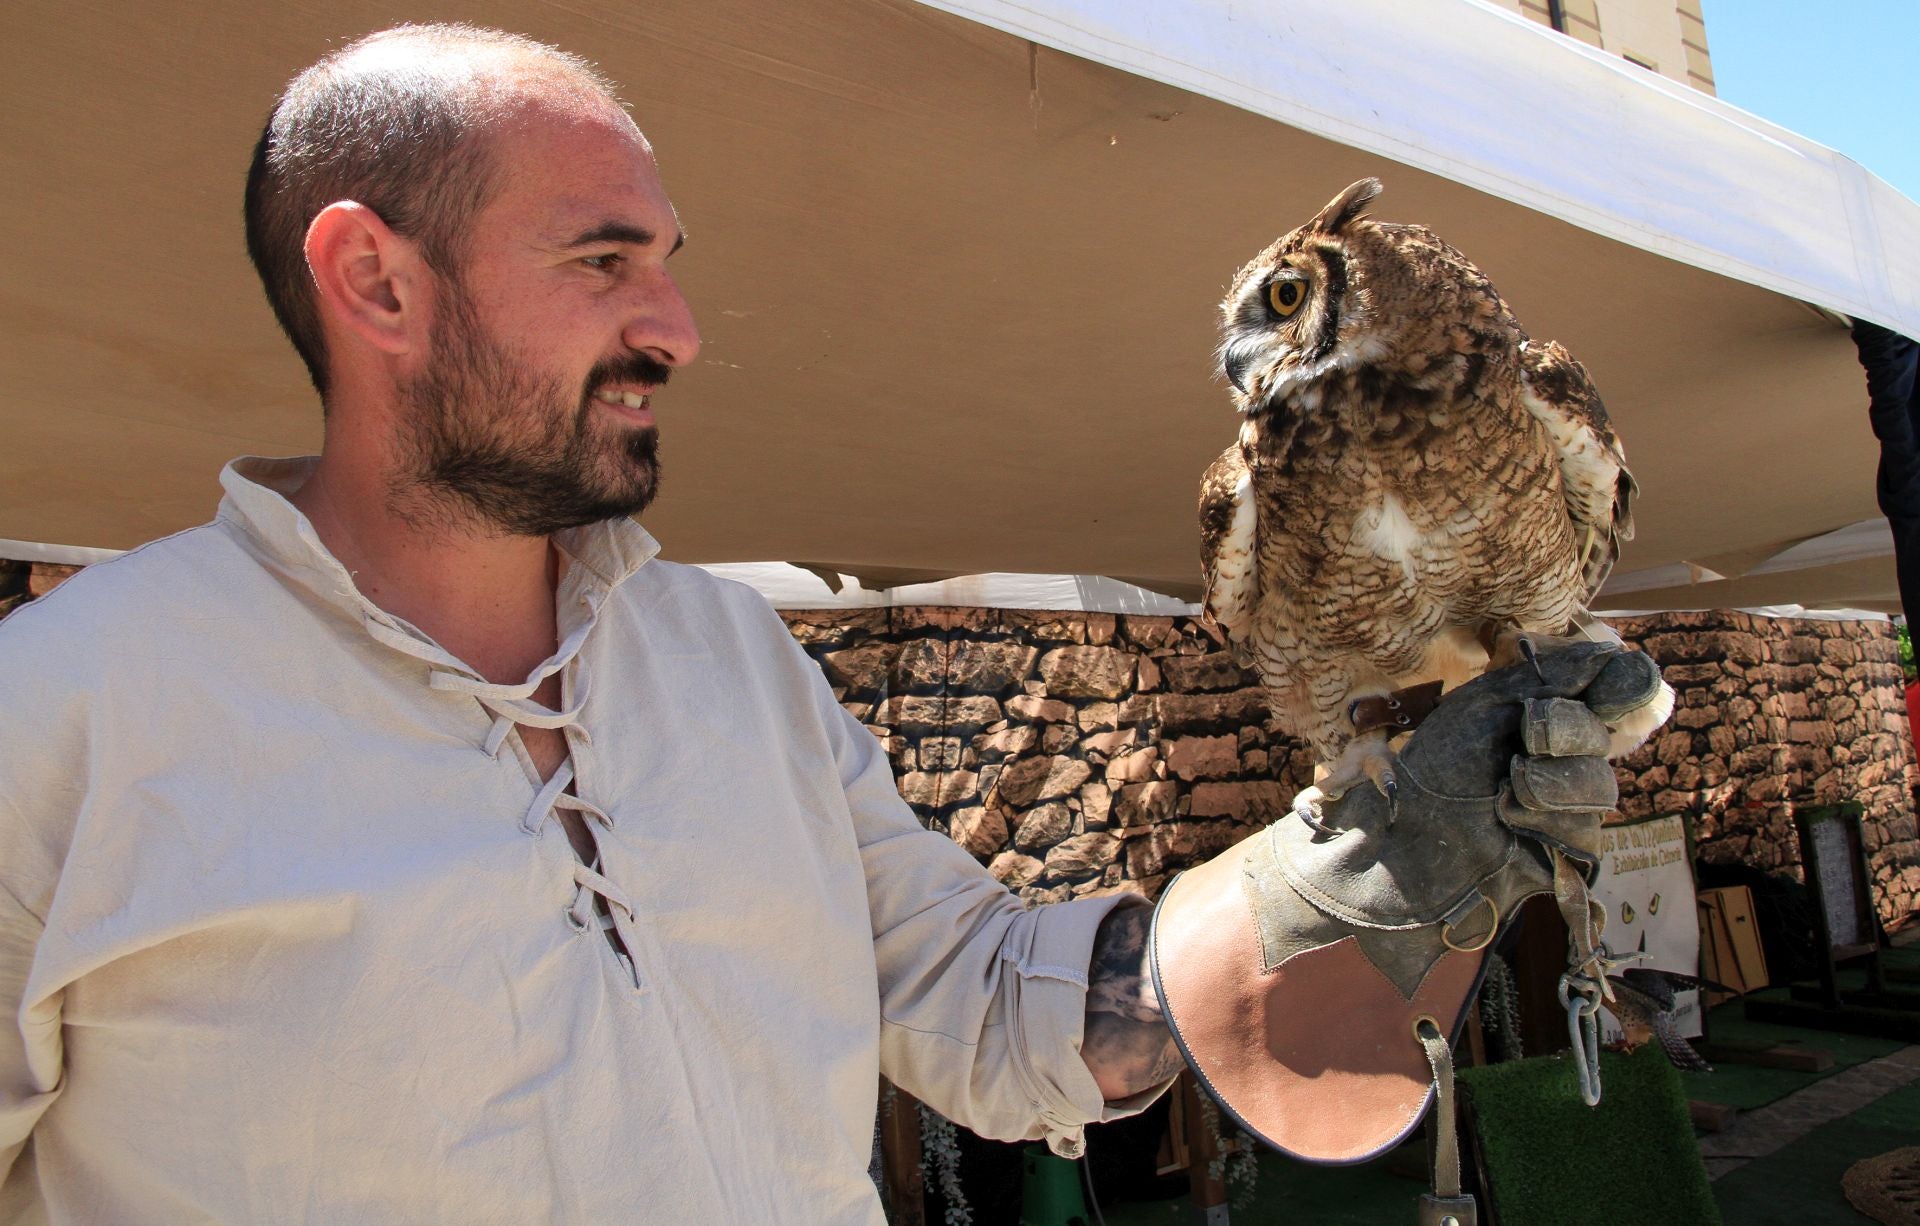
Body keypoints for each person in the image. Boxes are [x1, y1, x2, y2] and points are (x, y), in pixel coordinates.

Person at [0, 22, 1651, 1224]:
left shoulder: (736, 670)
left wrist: (1350, 873)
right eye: (602, 260)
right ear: (375, 284)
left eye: (670, 262)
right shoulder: (67, 718)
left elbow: (990, 1004)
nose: (681, 327)